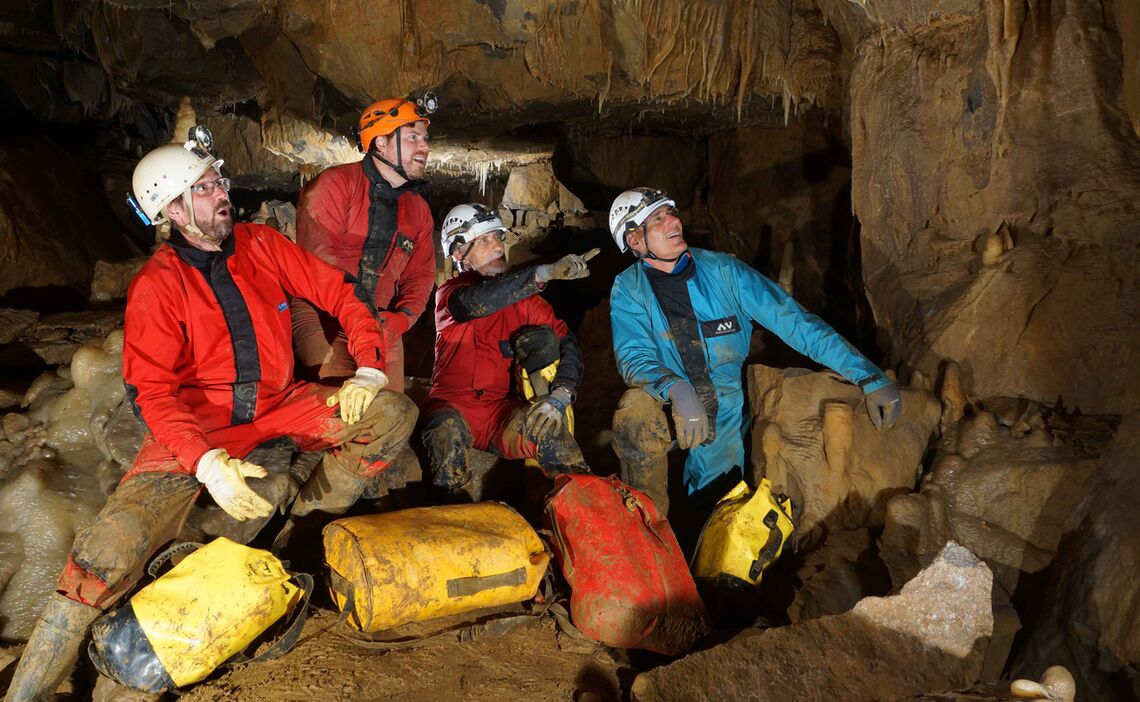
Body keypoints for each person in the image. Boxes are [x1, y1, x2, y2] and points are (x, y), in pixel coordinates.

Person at [4, 133, 417, 701]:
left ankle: (302, 531)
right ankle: (27, 691)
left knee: (391, 413)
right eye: (203, 188)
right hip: (199, 427)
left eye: (218, 181)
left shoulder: (261, 244)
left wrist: (369, 366)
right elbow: (152, 392)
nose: (222, 193)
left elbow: (341, 290)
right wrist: (205, 462)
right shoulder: (158, 285)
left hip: (279, 406)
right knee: (104, 553)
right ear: (173, 211)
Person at [607, 187, 902, 516]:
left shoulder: (724, 272)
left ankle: (706, 520)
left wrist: (869, 376)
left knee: (717, 505)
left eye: (671, 213)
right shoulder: (629, 288)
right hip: (671, 401)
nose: (673, 222)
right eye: (657, 219)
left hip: (726, 406)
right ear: (635, 240)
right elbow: (633, 356)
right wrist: (676, 388)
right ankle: (647, 523)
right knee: (634, 414)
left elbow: (797, 324)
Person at [423, 203, 596, 493]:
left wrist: (562, 394)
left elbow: (567, 343)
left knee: (551, 434)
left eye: (498, 237)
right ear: (458, 252)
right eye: (484, 240)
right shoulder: (449, 295)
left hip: (500, 414)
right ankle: (450, 511)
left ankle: (586, 511)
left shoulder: (526, 301)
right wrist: (541, 274)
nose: (497, 246)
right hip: (451, 407)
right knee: (446, 436)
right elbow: (479, 301)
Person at [292, 97, 435, 392]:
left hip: (383, 323)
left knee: (393, 412)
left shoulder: (419, 210)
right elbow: (319, 261)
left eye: (425, 138)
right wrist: (359, 316)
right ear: (380, 142)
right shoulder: (335, 185)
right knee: (337, 405)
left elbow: (420, 275)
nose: (424, 146)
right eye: (413, 137)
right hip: (325, 316)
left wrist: (403, 318)